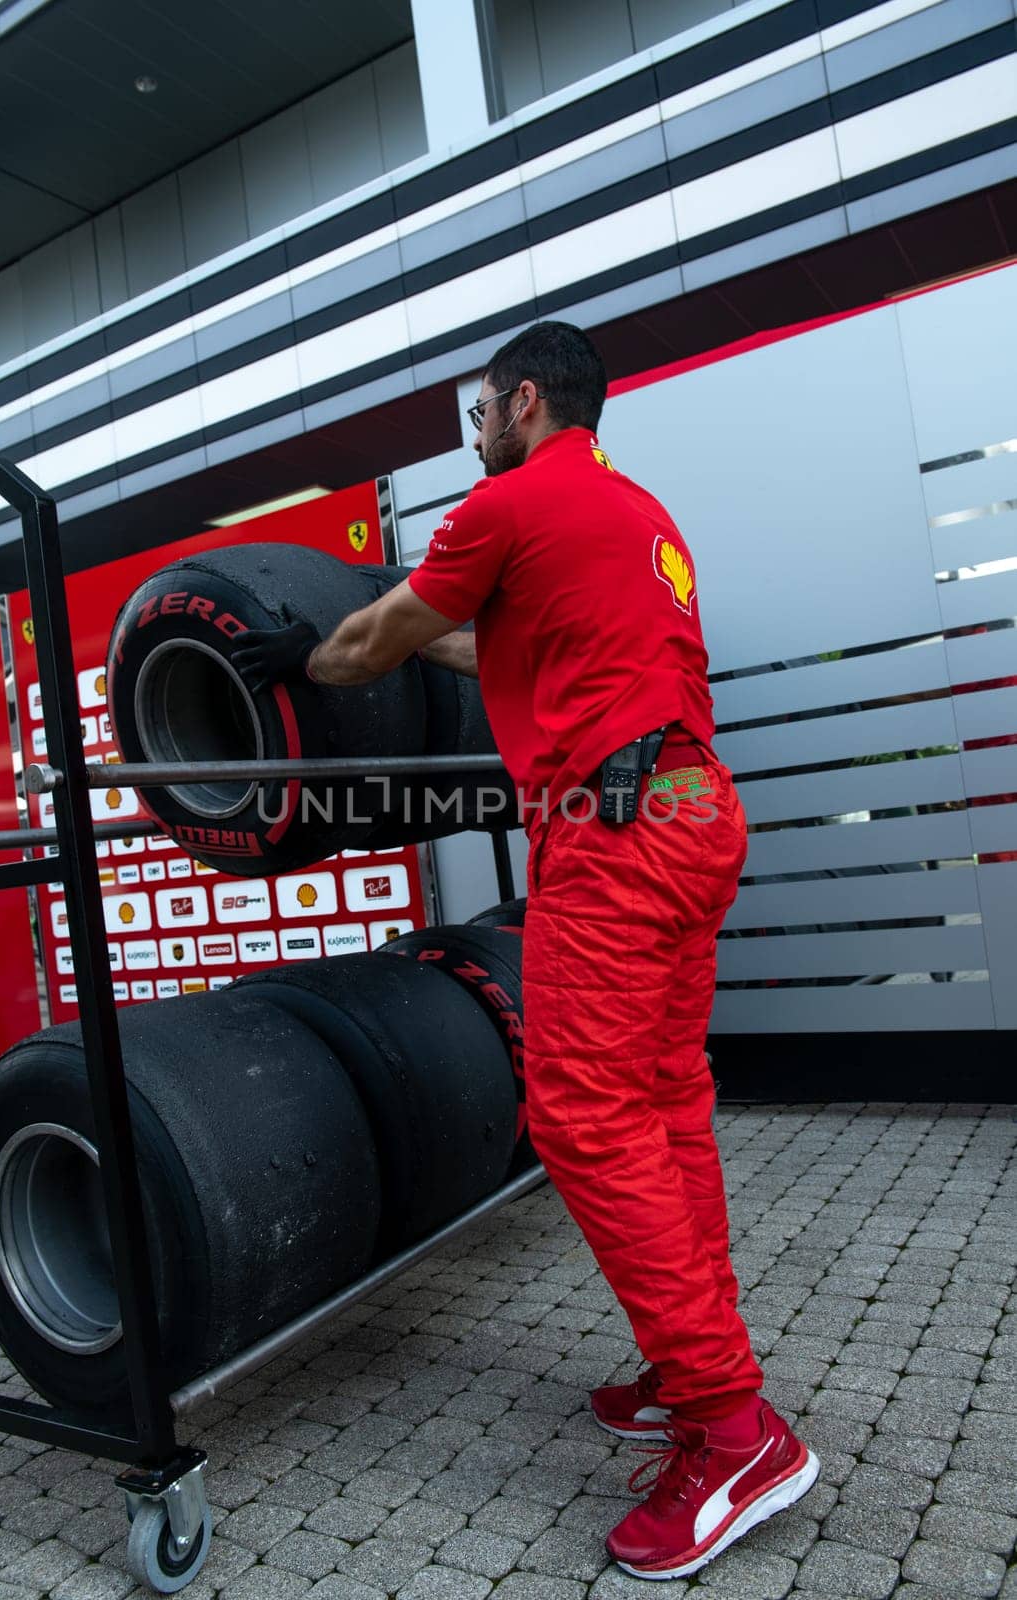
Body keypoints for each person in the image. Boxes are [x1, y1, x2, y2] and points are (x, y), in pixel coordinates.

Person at [230, 321, 819, 1581]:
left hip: (613, 841)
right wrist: (385, 637)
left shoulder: (511, 501)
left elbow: (379, 637)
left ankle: (730, 1429)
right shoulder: (635, 516)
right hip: (688, 814)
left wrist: (306, 656)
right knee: (662, 1105)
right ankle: (689, 1372)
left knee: (580, 1118)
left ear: (526, 401)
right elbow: (488, 642)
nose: (477, 426)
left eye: (484, 405)